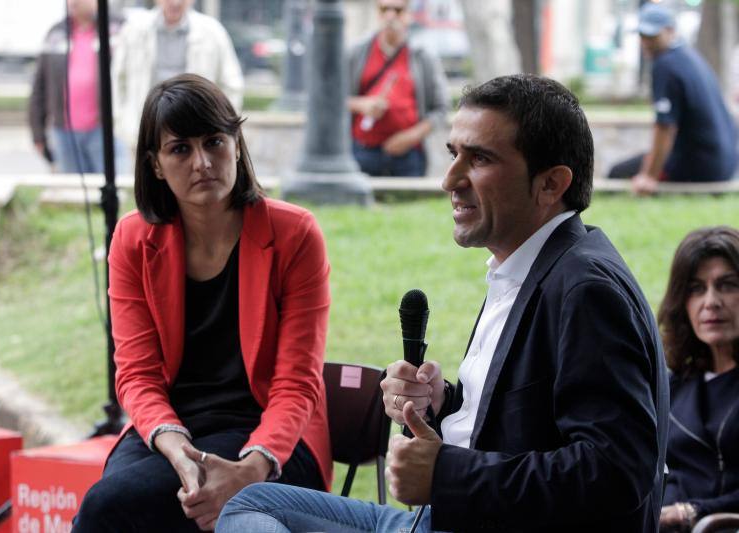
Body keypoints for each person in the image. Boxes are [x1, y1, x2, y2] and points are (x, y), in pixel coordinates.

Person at [217, 74, 669, 532]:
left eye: (480, 159)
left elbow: (616, 473)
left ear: (551, 184)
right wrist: (442, 404)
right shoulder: (527, 266)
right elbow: (523, 427)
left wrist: (446, 474)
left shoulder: (586, 290)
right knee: (252, 504)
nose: (449, 179)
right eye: (454, 154)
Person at [73, 74, 331, 532]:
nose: (202, 162)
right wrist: (175, 447)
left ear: (237, 145)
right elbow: (136, 373)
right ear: (155, 165)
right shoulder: (133, 239)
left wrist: (251, 470)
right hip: (172, 426)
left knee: (117, 508)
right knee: (108, 505)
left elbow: (297, 382)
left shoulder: (295, 234)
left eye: (214, 142)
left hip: (272, 434)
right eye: (180, 149)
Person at [656, 226, 739, 532]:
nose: (711, 302)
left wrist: (693, 512)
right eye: (696, 289)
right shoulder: (673, 385)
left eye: (727, 285)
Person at [607, 2, 738, 195]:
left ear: (670, 31)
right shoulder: (688, 55)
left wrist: (649, 176)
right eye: (642, 36)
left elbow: (665, 127)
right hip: (724, 165)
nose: (646, 42)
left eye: (652, 36)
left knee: (616, 173)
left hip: (702, 167)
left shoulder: (666, 64)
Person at [112, 0, 244, 149]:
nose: (175, 2)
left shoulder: (212, 32)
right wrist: (121, 124)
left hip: (198, 130)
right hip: (143, 132)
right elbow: (118, 79)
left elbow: (231, 84)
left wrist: (223, 127)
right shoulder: (134, 30)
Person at [347, 0, 448, 177]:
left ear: (408, 14)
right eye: (384, 9)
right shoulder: (357, 52)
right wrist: (362, 105)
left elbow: (441, 109)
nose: (390, 15)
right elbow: (333, 100)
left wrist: (411, 136)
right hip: (363, 151)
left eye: (397, 10)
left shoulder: (423, 56)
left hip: (409, 155)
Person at [28, 0, 124, 173]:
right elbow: (39, 86)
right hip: (65, 133)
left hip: (108, 130)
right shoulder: (56, 32)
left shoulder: (119, 29)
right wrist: (38, 133)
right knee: (73, 188)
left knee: (115, 184)